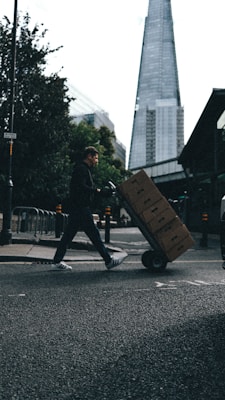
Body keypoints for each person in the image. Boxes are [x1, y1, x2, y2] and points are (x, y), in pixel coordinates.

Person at [51, 146, 127, 270]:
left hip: (78, 208)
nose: (97, 161)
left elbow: (84, 188)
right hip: (80, 208)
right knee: (94, 235)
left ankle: (56, 261)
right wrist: (98, 191)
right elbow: (81, 187)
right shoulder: (82, 169)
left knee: (68, 236)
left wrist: (100, 192)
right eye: (96, 158)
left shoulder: (83, 169)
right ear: (89, 156)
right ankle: (108, 261)